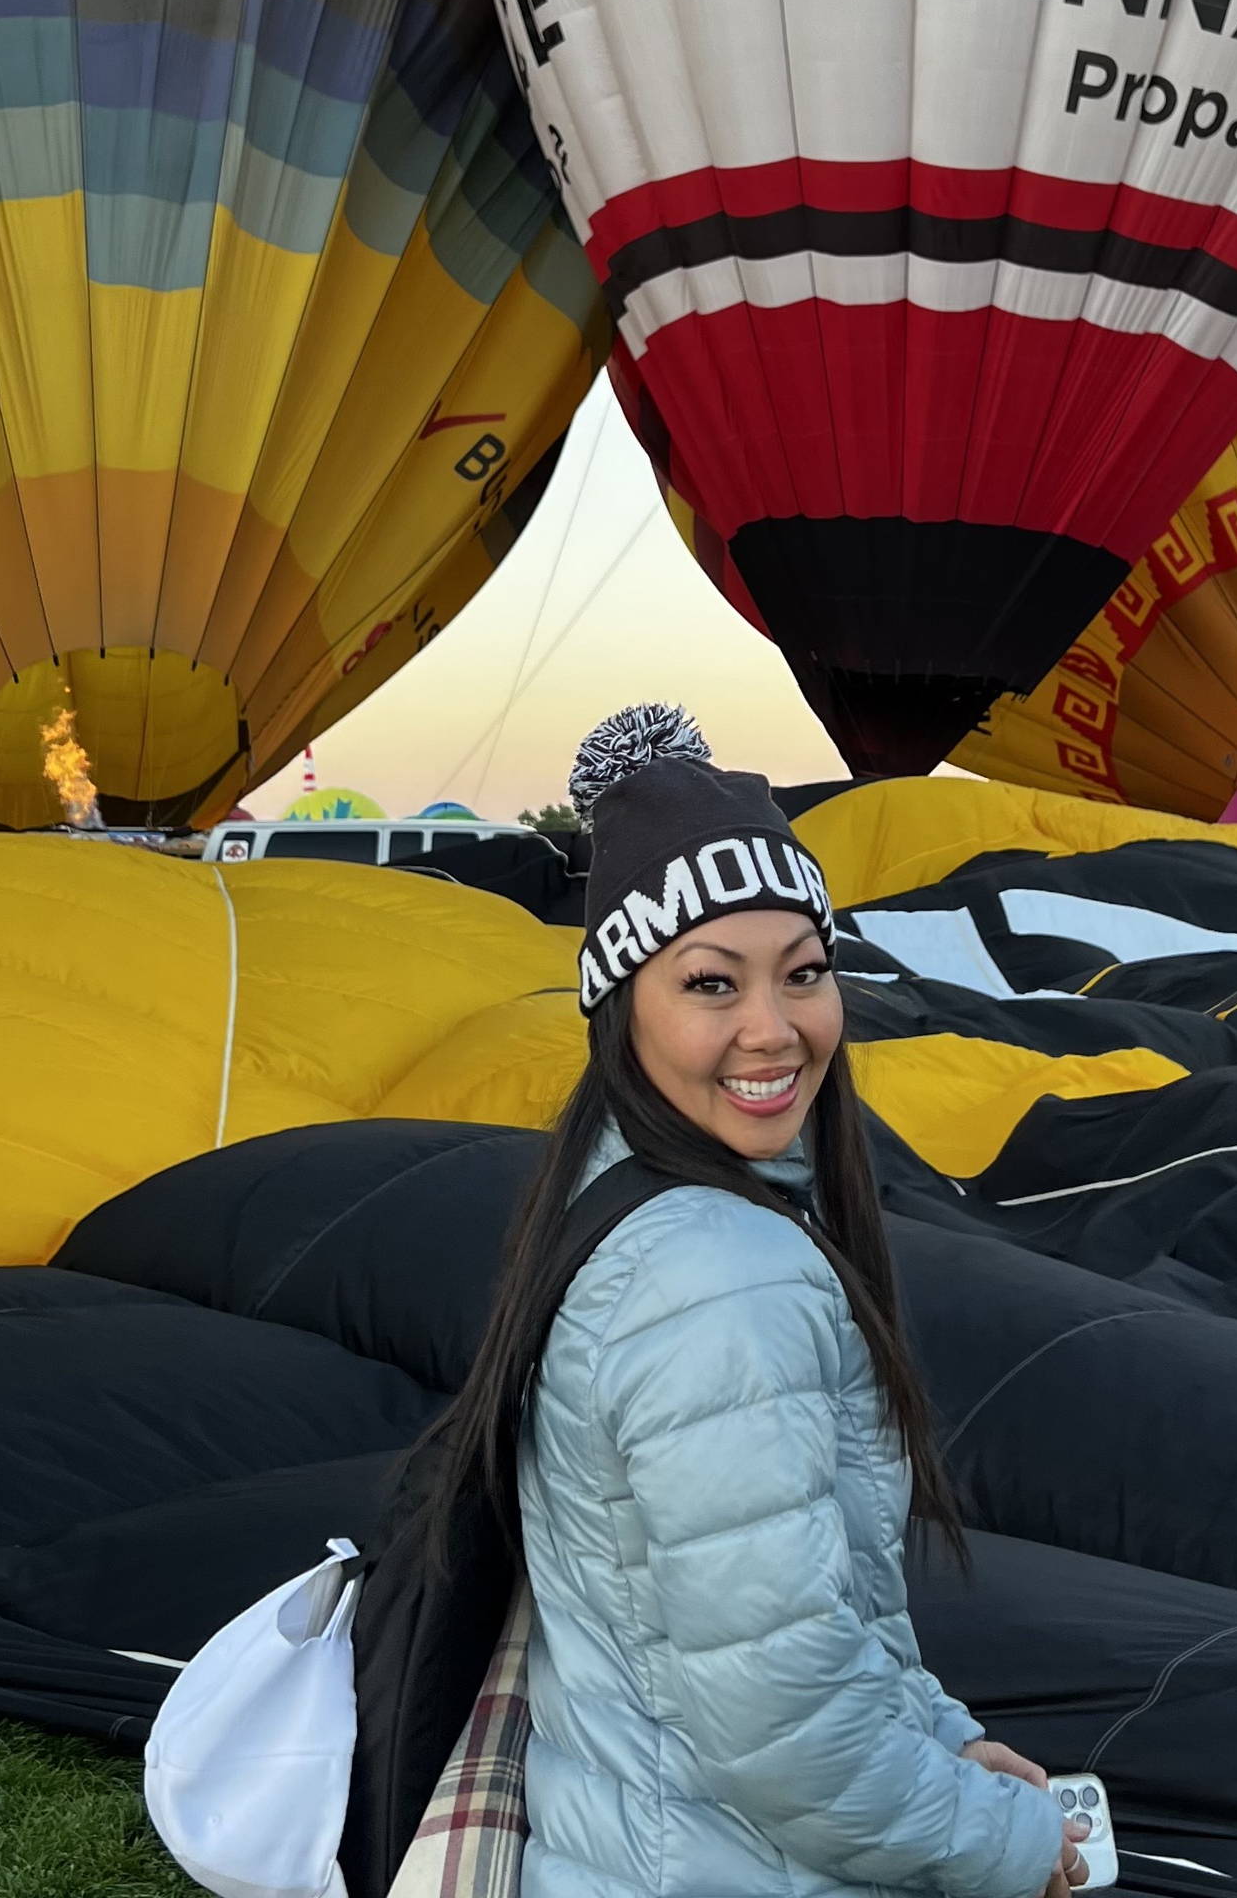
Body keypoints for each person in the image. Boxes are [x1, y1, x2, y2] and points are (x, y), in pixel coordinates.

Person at [418, 703, 1081, 1898]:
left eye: (805, 974)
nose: (772, 1030)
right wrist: (1005, 1845)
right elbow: (785, 1728)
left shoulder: (616, 1194)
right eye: (710, 983)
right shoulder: (717, 1278)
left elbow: (790, 1625)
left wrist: (939, 1742)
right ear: (622, 1005)